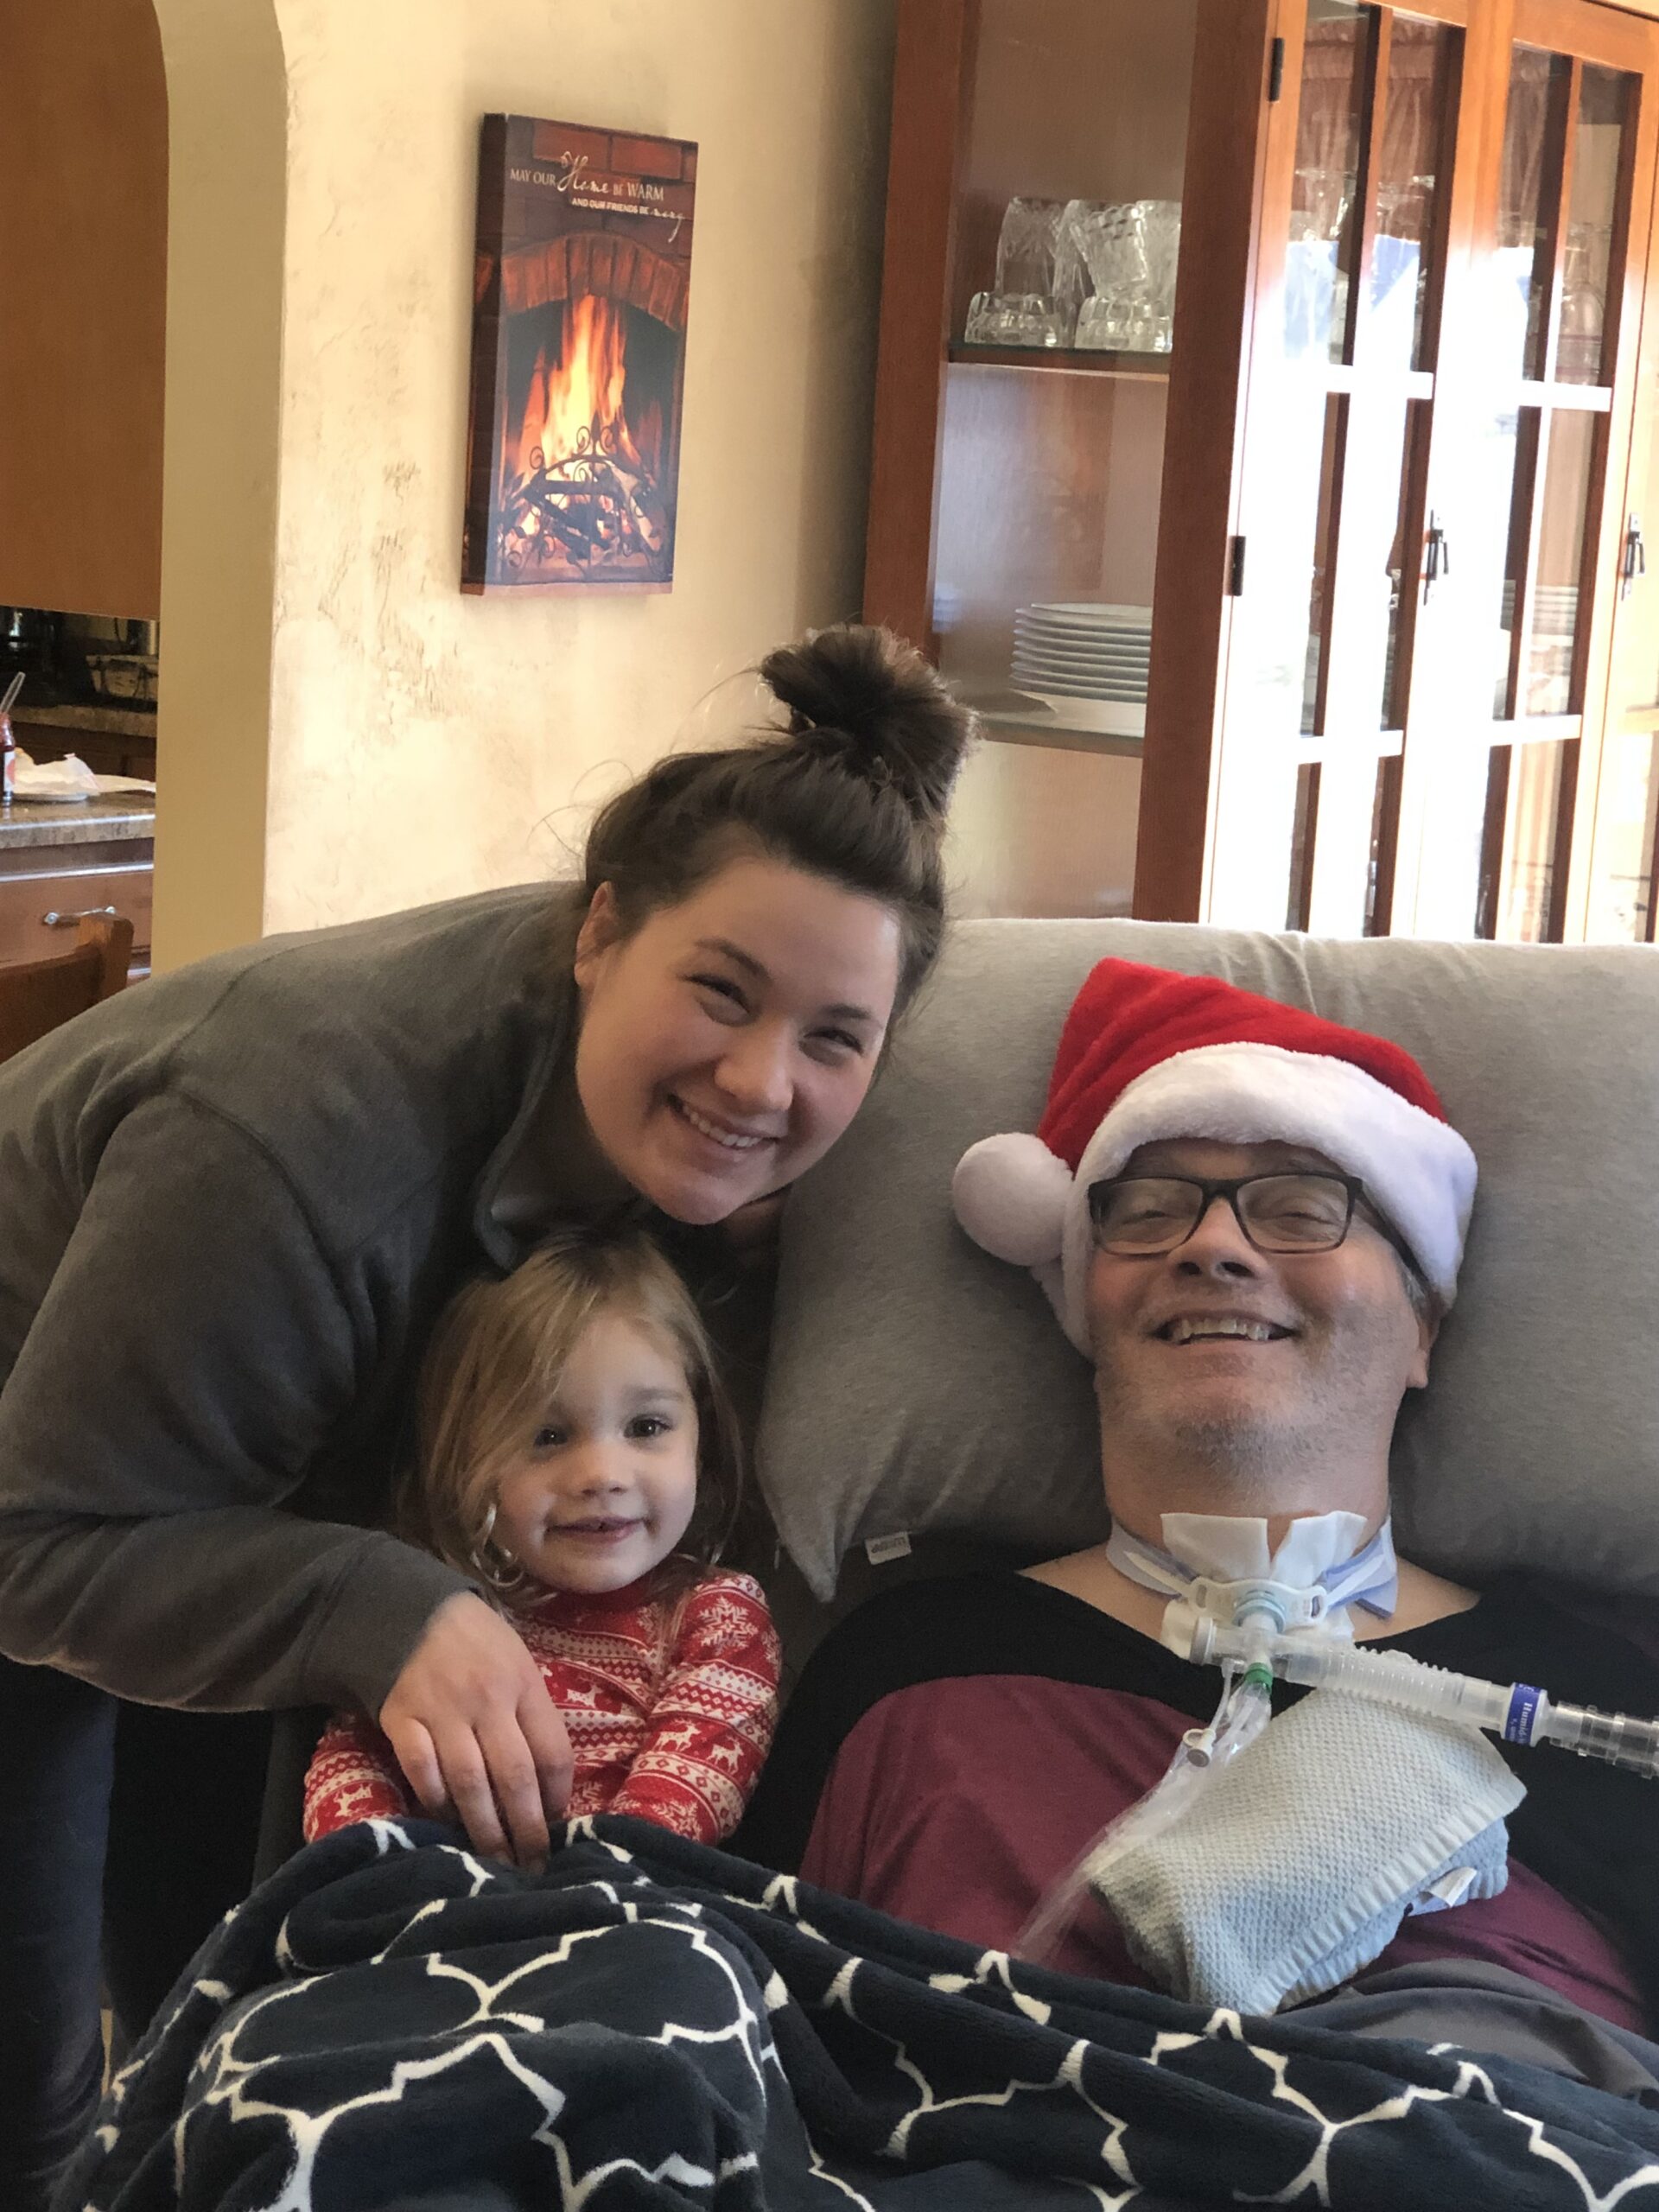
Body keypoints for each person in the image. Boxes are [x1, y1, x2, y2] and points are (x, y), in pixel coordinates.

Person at [0, 621, 973, 2209]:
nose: (758, 1080)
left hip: (223, 1475)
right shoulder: (302, 1143)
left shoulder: (711, 1137)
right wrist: (383, 1599)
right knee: (35, 2113)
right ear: (598, 931)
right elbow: (36, 1550)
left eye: (831, 1041)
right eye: (719, 994)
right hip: (42, 1494)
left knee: (202, 2049)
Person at [739, 958, 1659, 2069]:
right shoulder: (909, 1672)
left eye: (1303, 1208)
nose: (1213, 1247)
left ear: (1424, 1324)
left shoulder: (1603, 1707)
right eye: (1152, 1210)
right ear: (1087, 1304)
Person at [302, 1226, 779, 1850]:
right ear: (467, 1462)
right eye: (547, 1437)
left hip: (631, 1913)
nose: (603, 1476)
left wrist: (586, 1886)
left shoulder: (716, 1616)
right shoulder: (441, 1613)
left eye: (646, 1425)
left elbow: (688, 1798)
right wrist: (378, 1870)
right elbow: (353, 1763)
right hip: (438, 1914)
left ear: (702, 1434)